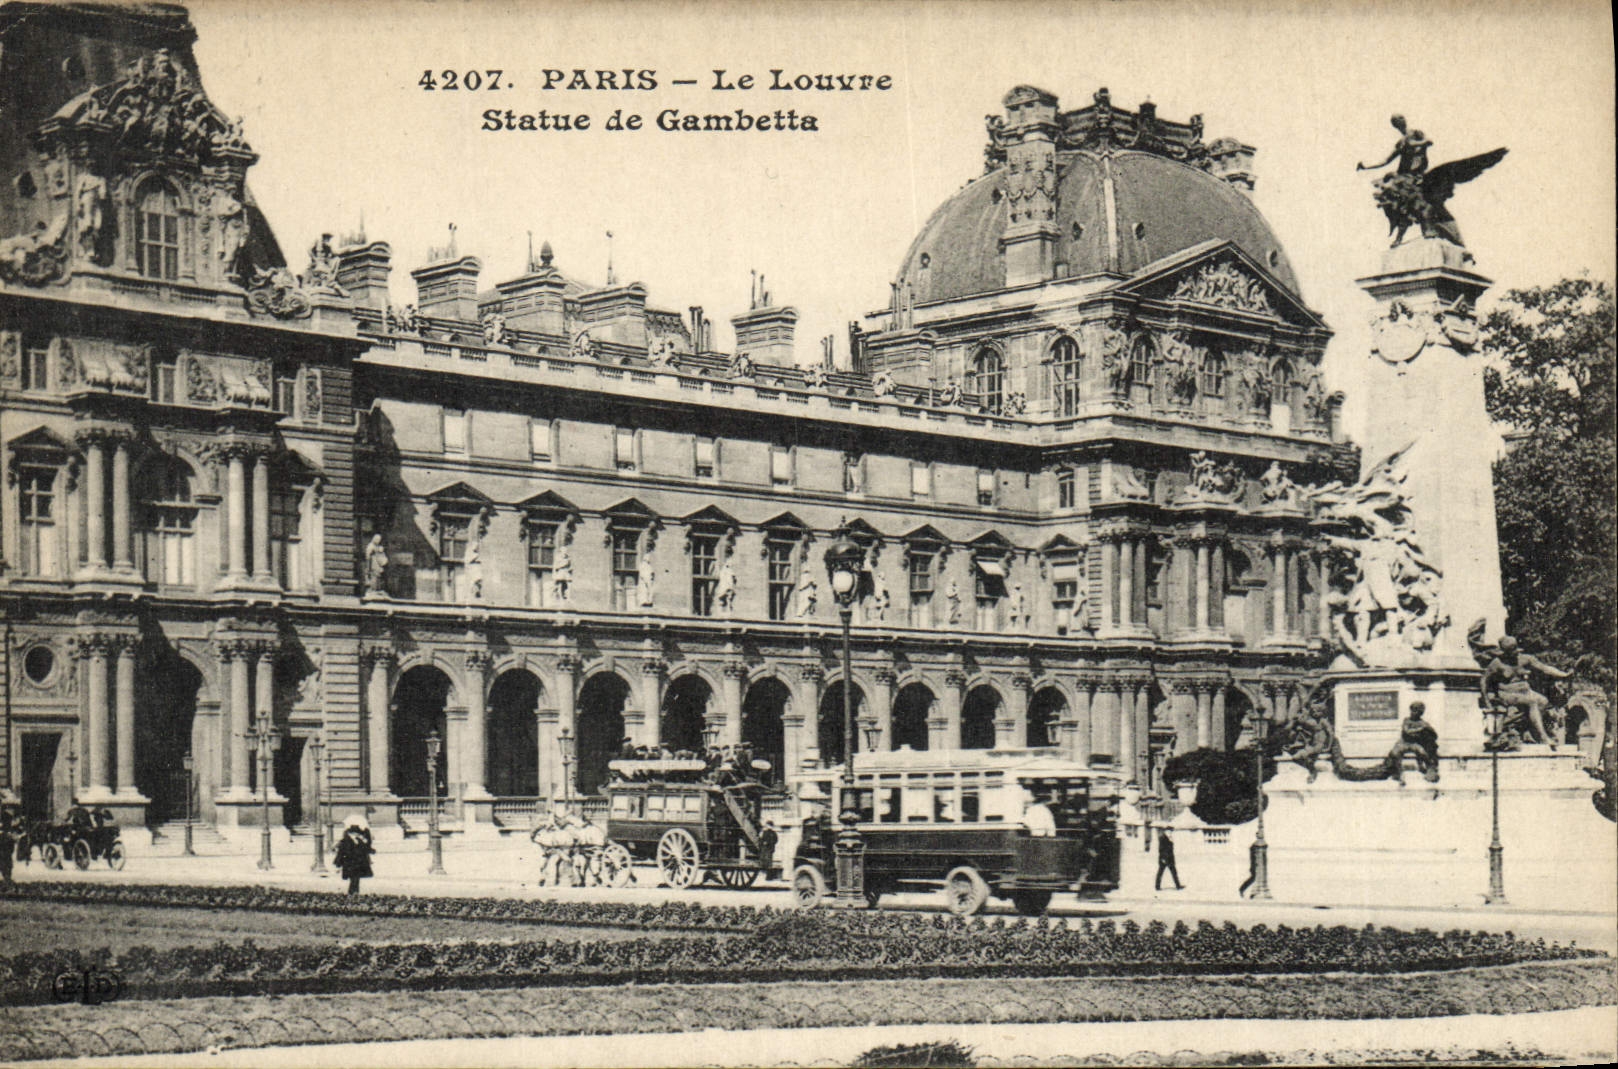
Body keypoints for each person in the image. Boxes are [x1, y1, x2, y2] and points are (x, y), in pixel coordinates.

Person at [1387, 702, 1440, 783]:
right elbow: (1406, 731)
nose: (1413, 713)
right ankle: (1397, 773)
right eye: (1412, 710)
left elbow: (1435, 735)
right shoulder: (1407, 720)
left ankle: (1429, 770)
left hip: (1415, 743)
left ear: (1420, 713)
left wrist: (1428, 730)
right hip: (1404, 742)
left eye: (1416, 711)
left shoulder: (1423, 723)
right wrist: (1421, 729)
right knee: (1395, 752)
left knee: (1424, 753)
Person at [334, 816, 374, 895]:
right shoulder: (346, 840)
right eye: (355, 832)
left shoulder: (359, 839)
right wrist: (338, 863)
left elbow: (365, 848)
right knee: (354, 879)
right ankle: (352, 893)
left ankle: (354, 893)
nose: (356, 834)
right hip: (351, 863)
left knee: (356, 879)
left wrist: (371, 850)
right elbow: (341, 852)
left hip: (356, 863)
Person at [1155, 826, 1183, 891]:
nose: (1171, 833)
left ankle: (1178, 886)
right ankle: (1157, 886)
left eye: (1171, 831)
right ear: (1166, 831)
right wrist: (1163, 858)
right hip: (1164, 859)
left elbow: (1170, 849)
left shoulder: (1169, 838)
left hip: (1170, 859)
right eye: (1169, 831)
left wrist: (1171, 841)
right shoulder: (1162, 838)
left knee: (1174, 872)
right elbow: (1161, 849)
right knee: (1160, 873)